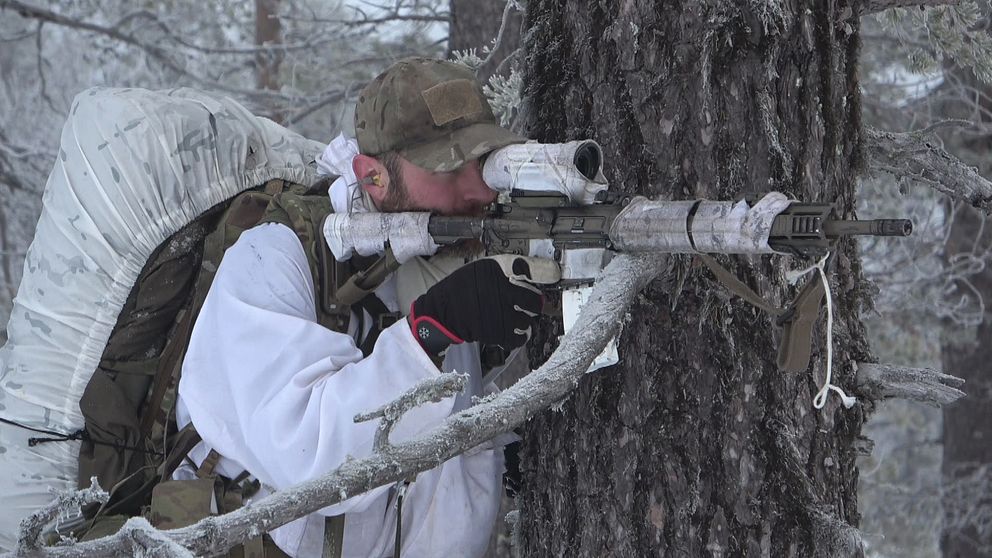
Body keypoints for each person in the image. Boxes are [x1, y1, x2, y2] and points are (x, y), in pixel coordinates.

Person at [175, 57, 549, 557]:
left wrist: (493, 444)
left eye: (483, 163)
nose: (477, 189)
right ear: (373, 177)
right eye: (448, 168)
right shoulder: (270, 259)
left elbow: (438, 476)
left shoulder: (433, 261)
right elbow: (308, 456)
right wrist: (428, 337)